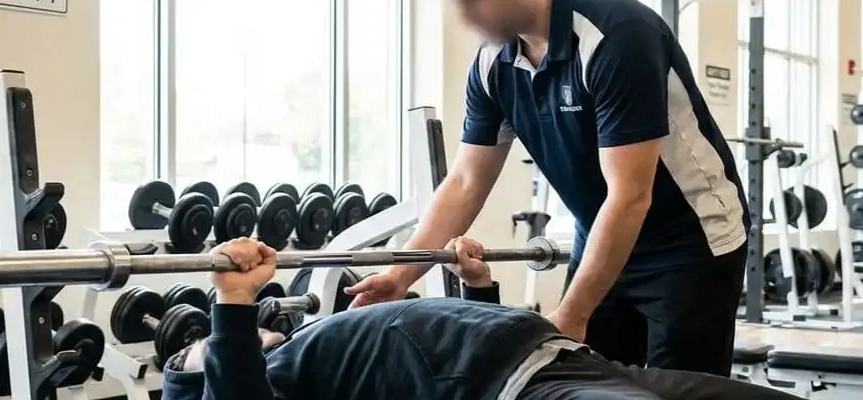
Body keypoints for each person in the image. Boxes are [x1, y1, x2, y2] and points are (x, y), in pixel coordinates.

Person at [344, 0, 749, 377]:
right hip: (601, 234)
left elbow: (630, 196)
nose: (465, 15)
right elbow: (465, 183)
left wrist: (573, 313)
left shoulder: (619, 36)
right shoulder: (492, 64)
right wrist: (400, 276)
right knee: (587, 383)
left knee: (677, 388)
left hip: (689, 241)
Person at [162, 238, 797, 400]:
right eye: (194, 351)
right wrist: (231, 303)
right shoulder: (269, 375)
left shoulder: (310, 347)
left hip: (564, 357)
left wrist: (479, 287)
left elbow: (458, 346)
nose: (202, 342)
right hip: (522, 389)